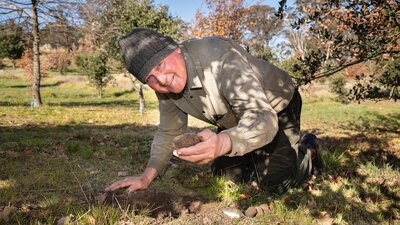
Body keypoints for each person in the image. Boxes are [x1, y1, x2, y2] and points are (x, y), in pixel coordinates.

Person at [105, 28, 323, 195]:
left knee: (275, 185)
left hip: (275, 106)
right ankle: (257, 155)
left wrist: (222, 143)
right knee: (225, 175)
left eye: (160, 65)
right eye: (150, 78)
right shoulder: (165, 87)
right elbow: (168, 131)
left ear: (176, 49)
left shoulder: (219, 56)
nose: (161, 79)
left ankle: (309, 151)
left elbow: (261, 117)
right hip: (233, 121)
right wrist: (146, 177)